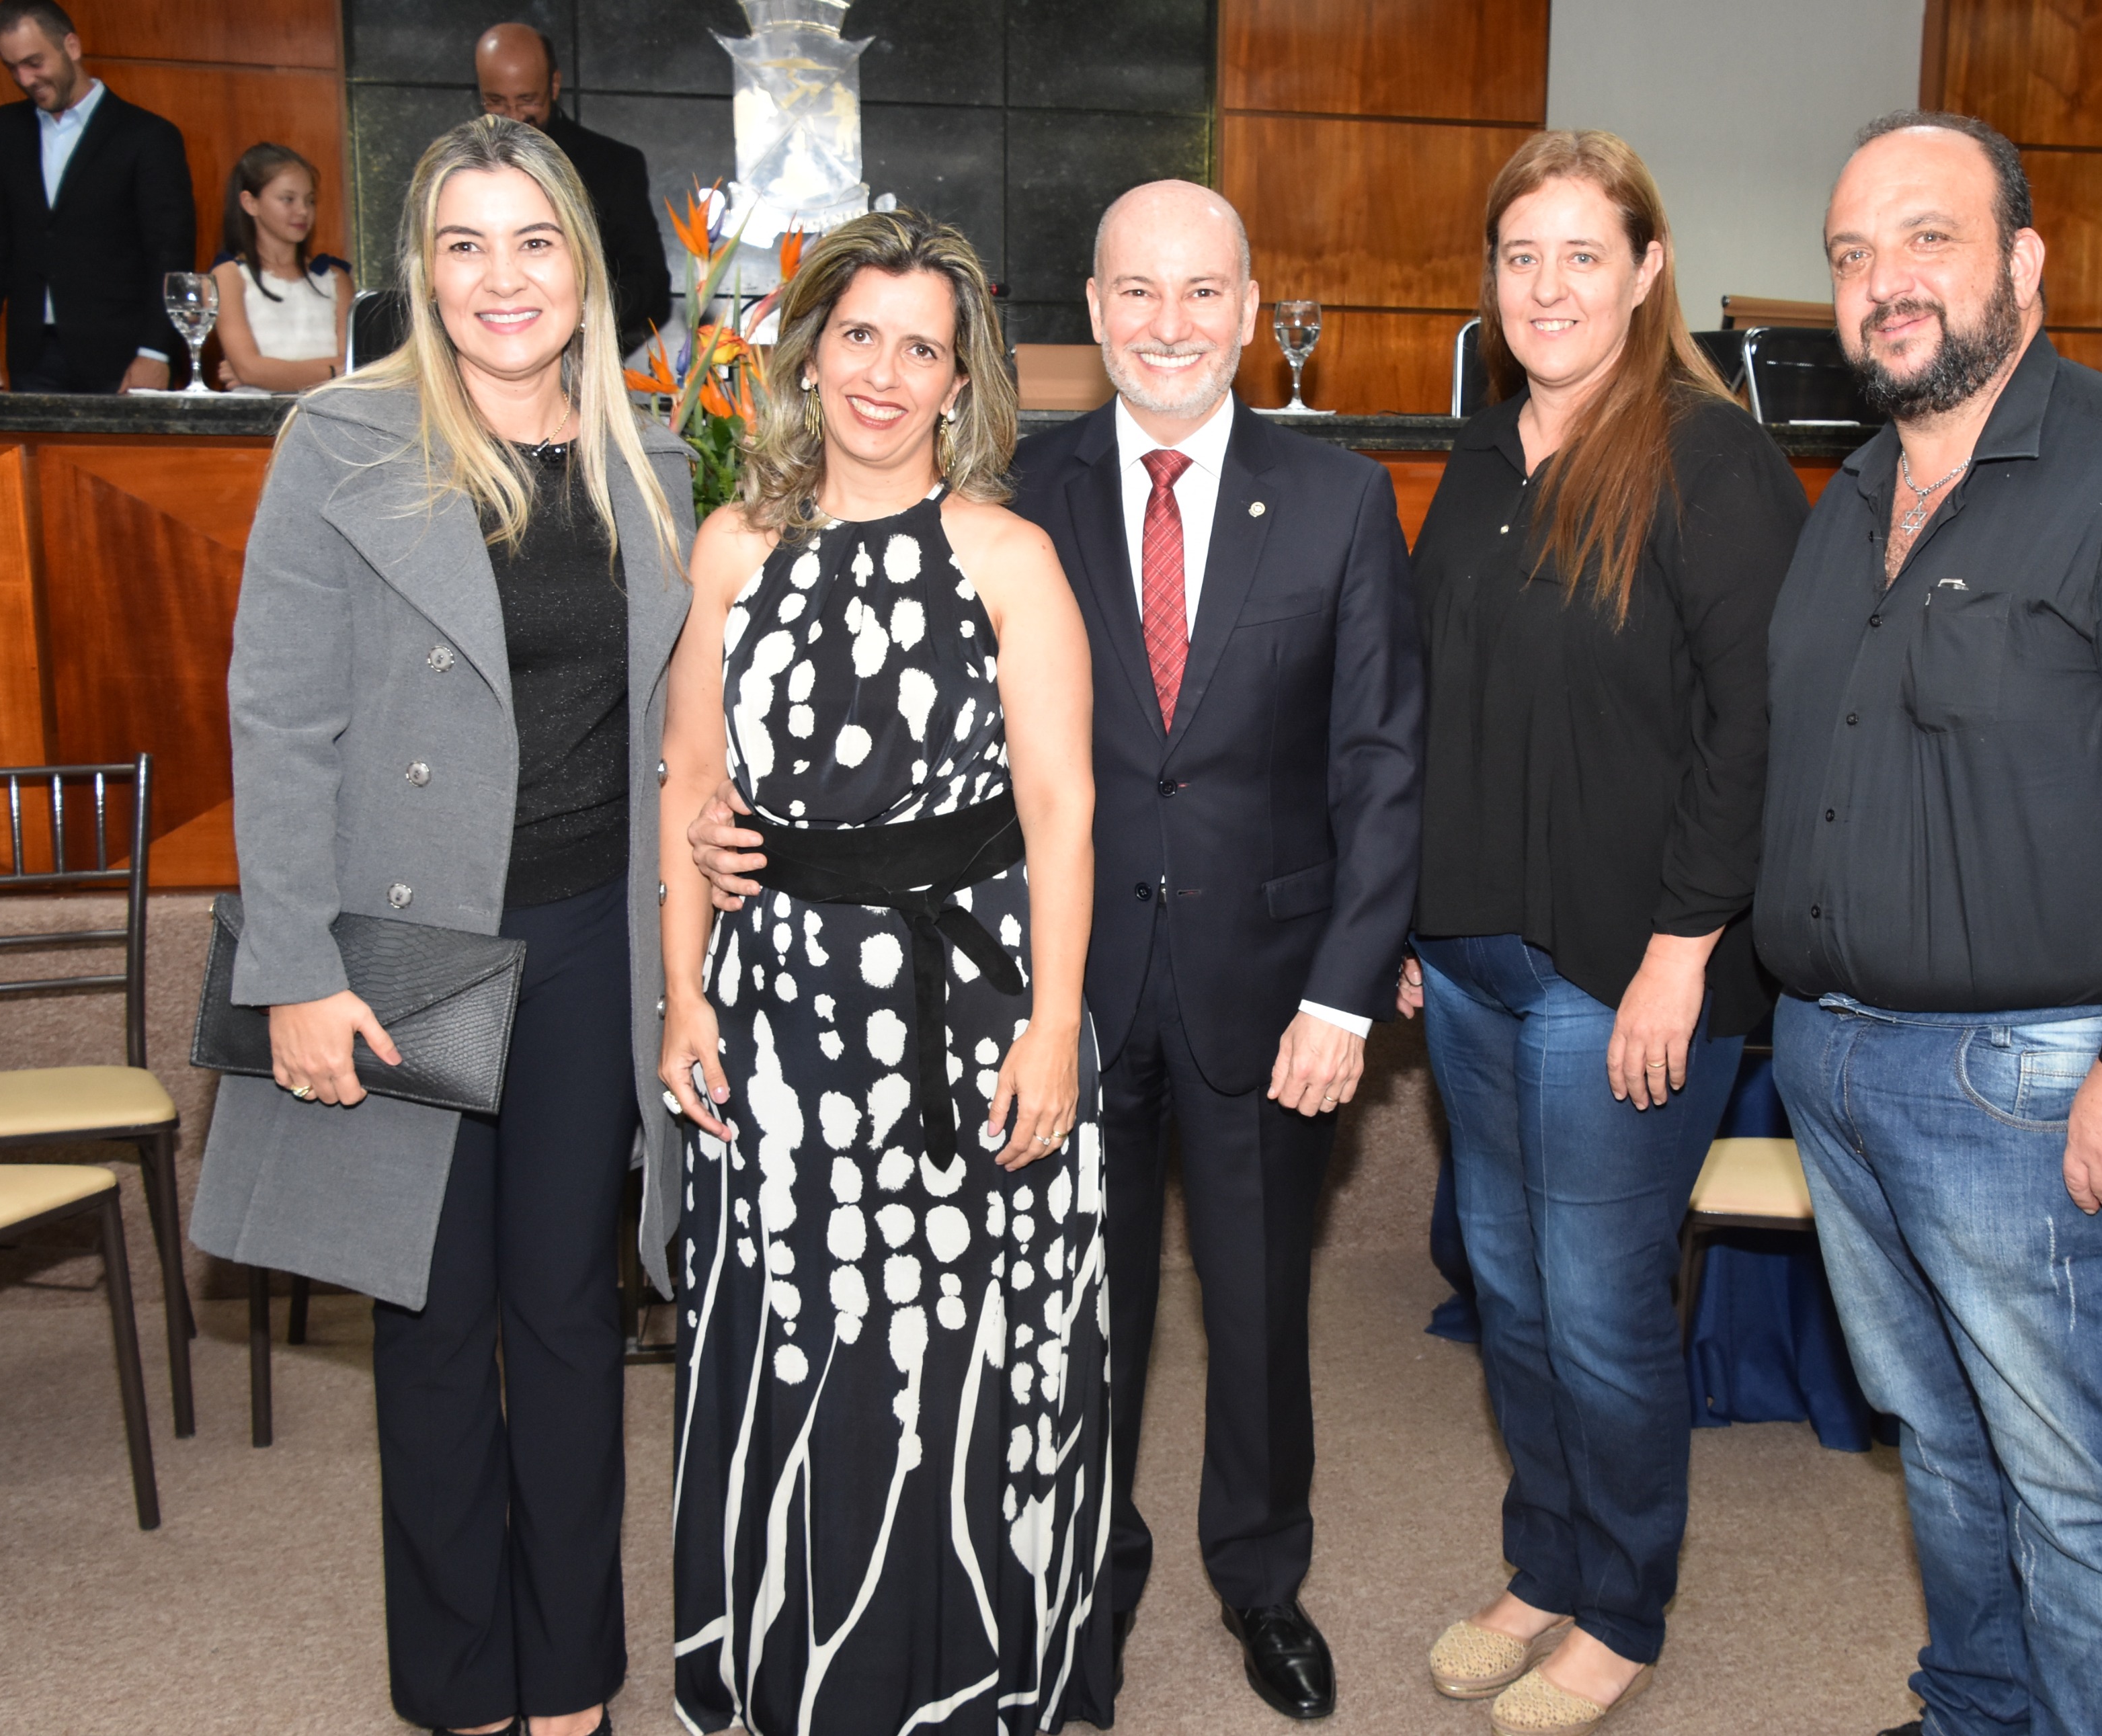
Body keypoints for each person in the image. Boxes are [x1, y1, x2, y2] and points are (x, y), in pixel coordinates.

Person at [687, 177, 1423, 1723]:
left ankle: (1261, 1576)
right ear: (1090, 313)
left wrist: (1349, 986)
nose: (1170, 323)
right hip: (1049, 983)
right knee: (1074, 1318)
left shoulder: (1342, 499)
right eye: (1135, 292)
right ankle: (1087, 1569)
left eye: (1202, 292)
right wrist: (716, 835)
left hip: (1261, 981)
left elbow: (1380, 763)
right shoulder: (1024, 487)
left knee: (1260, 1308)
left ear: (1249, 310)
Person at [1765, 111, 2102, 1736]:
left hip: (2035, 1082)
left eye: (1926, 238)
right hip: (1839, 1065)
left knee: (2080, 1492)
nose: (1885, 281)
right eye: (1853, 254)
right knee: (1942, 1446)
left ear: (2024, 261)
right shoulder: (1851, 493)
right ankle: (1976, 1712)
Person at [188, 115, 691, 1736]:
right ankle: (466, 1688)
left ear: (583, 269)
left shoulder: (651, 453)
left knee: (569, 1317)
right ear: (422, 268)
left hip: (591, 941)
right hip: (409, 949)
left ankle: (574, 1686)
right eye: (464, 245)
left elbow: (678, 719)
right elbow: (279, 722)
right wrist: (295, 970)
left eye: (532, 242)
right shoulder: (340, 439)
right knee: (427, 1318)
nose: (501, 278)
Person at [655, 206, 1108, 1735]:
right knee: (797, 1334)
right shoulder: (731, 547)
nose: (884, 373)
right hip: (772, 1004)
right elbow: (689, 782)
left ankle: (950, 1681)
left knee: (943, 1347)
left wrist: (1053, 1026)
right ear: (809, 353)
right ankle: (800, 1671)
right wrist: (681, 990)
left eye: (922, 349)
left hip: (962, 1012)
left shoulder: (1007, 555)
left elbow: (1060, 807)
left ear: (960, 382)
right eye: (860, 335)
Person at [1395, 128, 1804, 1736]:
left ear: (1646, 271)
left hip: (1626, 965)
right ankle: (1547, 1559)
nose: (1548, 287)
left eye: (1583, 254)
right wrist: (1410, 916)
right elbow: (1438, 696)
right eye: (1521, 257)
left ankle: (1620, 1604)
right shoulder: (1482, 452)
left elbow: (1752, 729)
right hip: (1474, 951)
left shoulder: (1713, 460)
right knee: (1506, 1281)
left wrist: (1684, 949)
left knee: (1600, 1297)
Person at [0, 0, 192, 393]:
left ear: (71, 46)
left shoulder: (148, 137)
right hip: (32, 356)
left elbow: (170, 255)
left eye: (34, 62)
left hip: (124, 356)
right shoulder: (4, 130)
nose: (25, 78)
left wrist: (156, 352)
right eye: (12, 67)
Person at [476, 22, 673, 350]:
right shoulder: (457, 171)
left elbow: (648, 282)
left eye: (527, 101)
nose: (512, 116)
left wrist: (581, 320)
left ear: (554, 85)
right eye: (496, 101)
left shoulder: (612, 165)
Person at [210, 142, 353, 392]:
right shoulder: (229, 277)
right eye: (288, 199)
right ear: (250, 203)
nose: (303, 211)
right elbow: (248, 369)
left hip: (325, 410)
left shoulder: (335, 278)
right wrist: (332, 373)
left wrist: (267, 373)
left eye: (310, 200)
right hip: (255, 413)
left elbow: (355, 366)